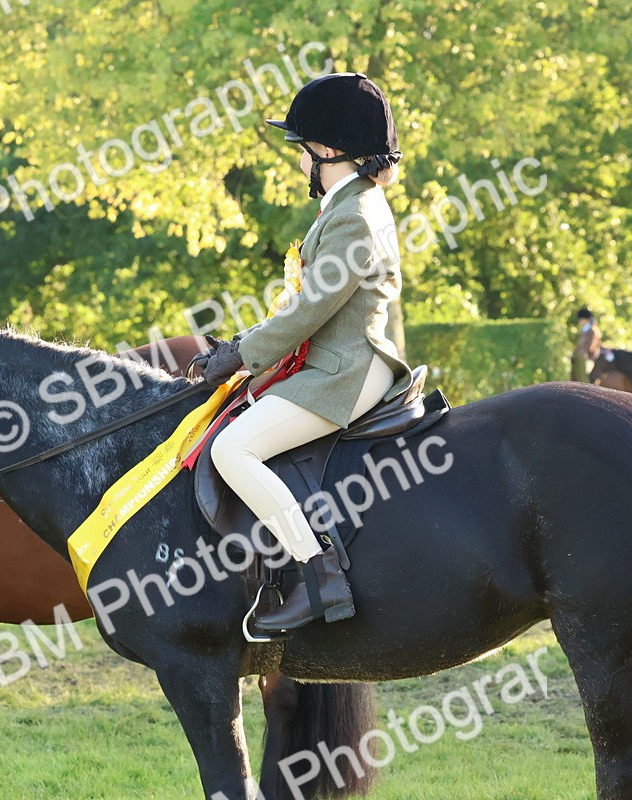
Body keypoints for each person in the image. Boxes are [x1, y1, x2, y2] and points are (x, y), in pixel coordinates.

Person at [199, 73, 413, 633]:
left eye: (302, 152)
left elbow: (308, 312)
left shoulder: (353, 216)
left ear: (327, 152)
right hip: (332, 360)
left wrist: (240, 354)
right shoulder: (348, 205)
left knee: (233, 450)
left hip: (346, 368)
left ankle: (320, 574)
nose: (299, 164)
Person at [572, 307, 602, 381]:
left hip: (591, 357)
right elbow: (580, 345)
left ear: (585, 319)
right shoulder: (584, 330)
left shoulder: (593, 330)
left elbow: (590, 346)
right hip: (582, 356)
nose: (579, 322)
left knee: (585, 374)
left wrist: (580, 353)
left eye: (581, 320)